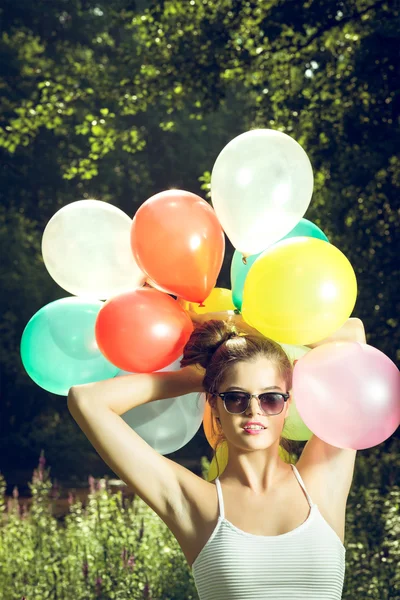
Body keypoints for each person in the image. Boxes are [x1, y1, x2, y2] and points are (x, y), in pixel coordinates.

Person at [68, 310, 365, 600]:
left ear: (288, 404)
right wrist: (198, 376)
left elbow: (353, 337)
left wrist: (234, 323)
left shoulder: (323, 483)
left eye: (271, 398)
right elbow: (88, 401)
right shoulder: (194, 503)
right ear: (214, 404)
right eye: (235, 397)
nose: (253, 409)